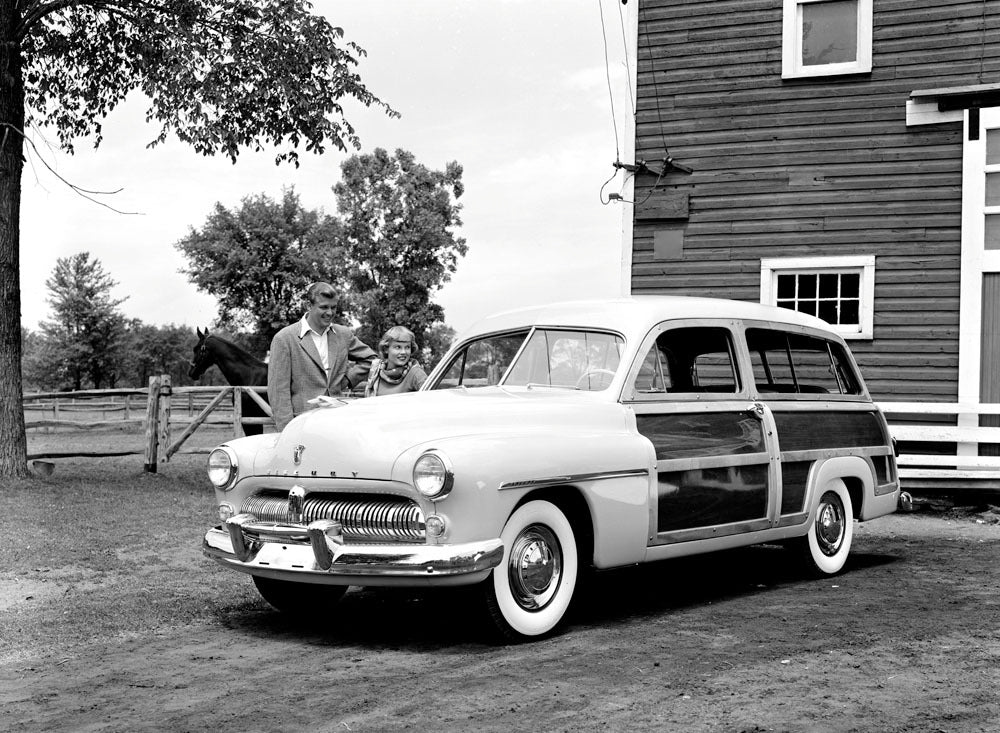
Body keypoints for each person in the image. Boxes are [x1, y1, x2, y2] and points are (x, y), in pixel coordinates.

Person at [267, 282, 376, 431]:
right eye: (324, 307)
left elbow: (371, 360)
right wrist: (287, 431)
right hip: (302, 425)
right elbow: (278, 392)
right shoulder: (284, 338)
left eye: (333, 307)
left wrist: (346, 380)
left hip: (337, 421)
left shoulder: (343, 334)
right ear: (308, 305)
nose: (330, 313)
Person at [364, 325, 428, 397]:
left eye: (407, 347)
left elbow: (431, 399)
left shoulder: (416, 374)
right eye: (398, 347)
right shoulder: (376, 373)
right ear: (386, 349)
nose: (403, 352)